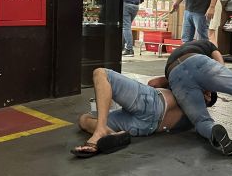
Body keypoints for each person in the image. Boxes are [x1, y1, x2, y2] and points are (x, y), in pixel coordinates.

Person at [71, 68, 216, 158]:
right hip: (145, 127)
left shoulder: (188, 92)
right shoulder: (194, 119)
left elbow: (152, 84)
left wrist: (172, 79)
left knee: (101, 74)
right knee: (84, 119)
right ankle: (112, 134)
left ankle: (100, 130)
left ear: (207, 95)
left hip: (153, 103)